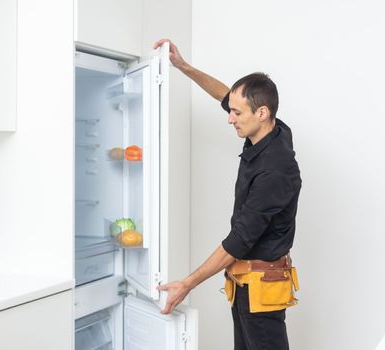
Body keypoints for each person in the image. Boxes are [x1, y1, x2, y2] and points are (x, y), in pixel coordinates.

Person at [153, 38, 302, 350]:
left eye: (236, 113)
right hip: (245, 282)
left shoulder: (275, 170)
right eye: (231, 111)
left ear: (261, 112)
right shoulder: (272, 128)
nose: (229, 118)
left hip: (262, 287)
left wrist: (186, 284)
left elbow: (239, 240)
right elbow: (225, 94)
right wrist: (184, 67)